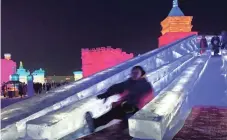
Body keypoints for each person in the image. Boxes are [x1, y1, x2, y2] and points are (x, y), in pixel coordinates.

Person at [85, 66, 154, 133]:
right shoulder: (129, 82)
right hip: (129, 108)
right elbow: (117, 87)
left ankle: (129, 129)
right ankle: (95, 124)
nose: (134, 74)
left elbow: (146, 97)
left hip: (140, 111)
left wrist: (136, 107)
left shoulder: (145, 84)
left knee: (122, 112)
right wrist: (107, 93)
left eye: (137, 73)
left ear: (141, 73)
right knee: (115, 110)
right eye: (133, 73)